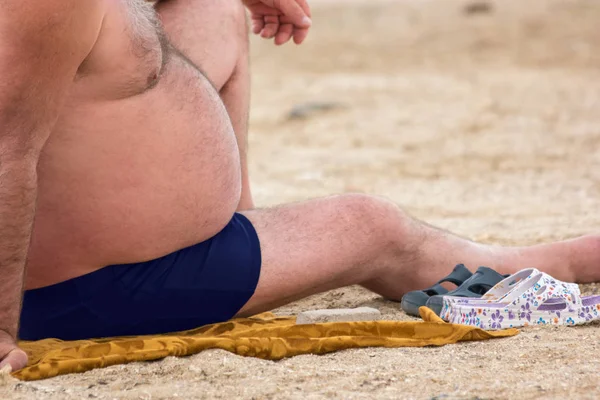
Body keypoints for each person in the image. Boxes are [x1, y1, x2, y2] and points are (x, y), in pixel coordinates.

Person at [0, 0, 598, 372]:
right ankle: (554, 262)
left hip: (105, 232)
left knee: (211, 8)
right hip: (87, 287)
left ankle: (245, 232)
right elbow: (6, 150)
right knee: (370, 225)